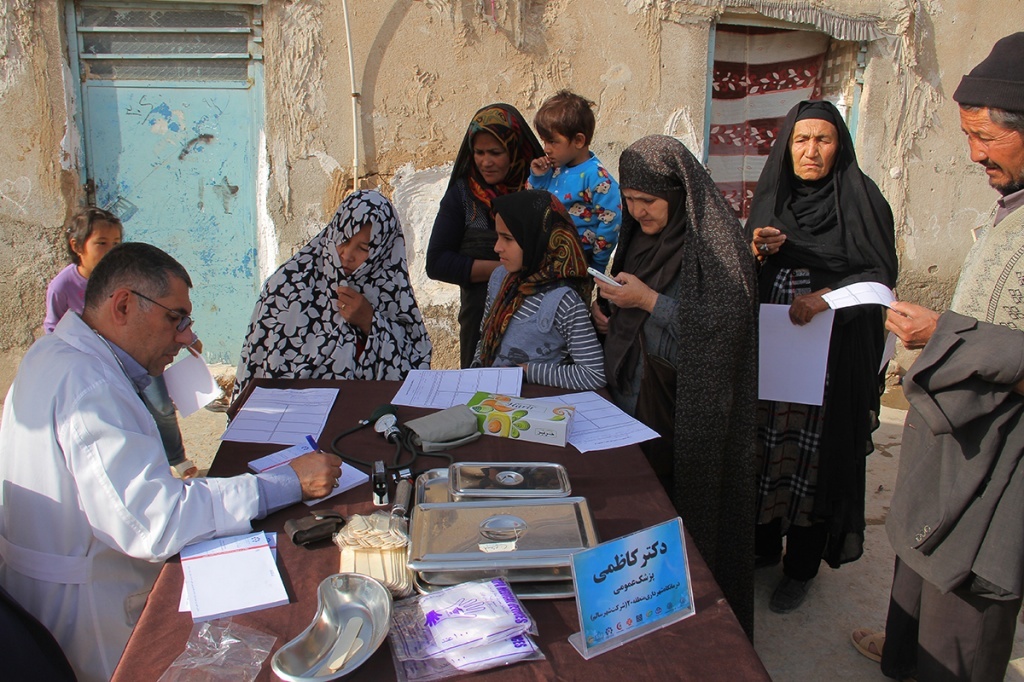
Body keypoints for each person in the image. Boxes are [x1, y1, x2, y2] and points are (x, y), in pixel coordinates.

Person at [0, 242, 341, 682]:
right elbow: (155, 522)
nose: (185, 337)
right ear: (123, 305)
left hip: (57, 589)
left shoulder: (55, 355)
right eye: (174, 318)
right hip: (90, 617)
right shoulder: (88, 388)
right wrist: (285, 482)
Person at [852, 33, 1024, 682]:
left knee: (962, 625)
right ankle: (902, 656)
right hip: (951, 453)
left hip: (999, 469)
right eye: (969, 136)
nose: (975, 154)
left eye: (987, 137)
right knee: (919, 567)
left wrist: (945, 335)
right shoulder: (1011, 210)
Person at [591, 134, 759, 636]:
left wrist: (647, 303)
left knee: (679, 516)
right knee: (637, 511)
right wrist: (611, 311)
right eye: (629, 200)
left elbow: (726, 328)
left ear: (678, 193)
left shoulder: (716, 247)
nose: (638, 211)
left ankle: (690, 624)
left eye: (648, 200)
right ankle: (638, 606)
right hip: (633, 395)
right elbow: (632, 297)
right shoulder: (641, 237)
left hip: (682, 407)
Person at [746, 100, 898, 614]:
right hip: (775, 359)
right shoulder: (773, 197)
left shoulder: (862, 199)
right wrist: (757, 252)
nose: (811, 150)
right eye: (801, 140)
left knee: (813, 463)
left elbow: (879, 277)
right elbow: (746, 270)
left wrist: (826, 299)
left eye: (823, 139)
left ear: (839, 146)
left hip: (831, 363)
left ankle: (801, 567)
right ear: (787, 147)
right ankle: (764, 545)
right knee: (768, 449)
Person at [233, 190, 432, 401]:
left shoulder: (390, 292)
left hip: (362, 413)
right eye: (343, 240)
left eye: (363, 248)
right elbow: (264, 366)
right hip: (294, 413)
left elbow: (415, 367)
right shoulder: (288, 285)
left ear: (382, 250)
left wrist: (370, 322)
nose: (347, 255)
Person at [44, 207, 198, 479]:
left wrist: (192, 340)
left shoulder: (140, 350)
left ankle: (175, 457)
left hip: (138, 363)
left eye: (116, 243)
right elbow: (54, 326)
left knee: (161, 409)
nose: (110, 251)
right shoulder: (91, 386)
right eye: (101, 243)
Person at [426, 103, 543, 368]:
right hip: (478, 325)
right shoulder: (462, 196)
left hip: (536, 325)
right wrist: (507, 269)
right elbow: (437, 263)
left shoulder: (538, 190)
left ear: (515, 149)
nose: (485, 162)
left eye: (495, 152)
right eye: (479, 152)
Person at [473, 189, 605, 390]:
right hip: (491, 393)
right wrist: (476, 371)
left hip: (533, 401)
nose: (497, 247)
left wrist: (526, 372)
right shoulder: (501, 278)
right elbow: (485, 335)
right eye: (498, 236)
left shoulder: (563, 301)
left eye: (508, 238)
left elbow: (594, 374)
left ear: (537, 240)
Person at [527, 90, 621, 270]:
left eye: (553, 142)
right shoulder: (554, 169)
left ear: (578, 140)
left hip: (578, 259)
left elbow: (610, 222)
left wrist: (597, 264)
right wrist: (538, 177)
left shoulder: (597, 178)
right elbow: (534, 203)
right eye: (544, 142)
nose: (546, 149)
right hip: (547, 254)